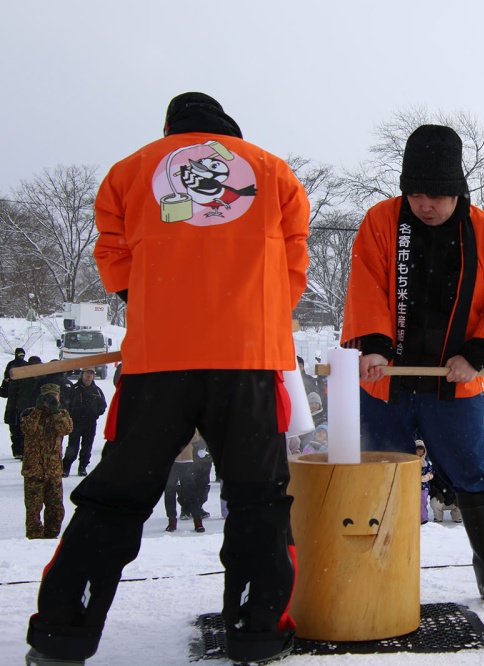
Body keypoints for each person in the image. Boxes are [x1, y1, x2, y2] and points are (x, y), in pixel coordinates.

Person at [26, 92, 309, 666]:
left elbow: (114, 258)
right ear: (228, 128)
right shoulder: (272, 171)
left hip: (159, 361)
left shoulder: (130, 172)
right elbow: (292, 264)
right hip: (248, 359)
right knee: (257, 500)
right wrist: (251, 311)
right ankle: (256, 634)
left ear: (169, 128)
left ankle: (62, 634)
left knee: (115, 497)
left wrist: (159, 302)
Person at [342, 125, 484, 612]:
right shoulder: (381, 221)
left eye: (438, 196)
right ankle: (378, 573)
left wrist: (476, 355)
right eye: (416, 195)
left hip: (455, 383)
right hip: (386, 381)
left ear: (458, 191)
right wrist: (374, 346)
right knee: (379, 474)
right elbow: (366, 284)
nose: (425, 205)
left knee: (472, 472)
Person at [20, 383, 74, 539]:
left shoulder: (62, 415)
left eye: (54, 396)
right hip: (34, 471)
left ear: (59, 397)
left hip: (53, 471)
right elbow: (28, 429)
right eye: (47, 396)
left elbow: (66, 429)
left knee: (56, 510)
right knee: (33, 510)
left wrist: (55, 411)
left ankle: (50, 539)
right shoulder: (30, 414)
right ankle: (34, 540)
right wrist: (38, 410)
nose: (51, 399)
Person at [61, 367, 107, 477]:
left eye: (91, 373)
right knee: (72, 447)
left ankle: (82, 468)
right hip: (76, 423)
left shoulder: (97, 391)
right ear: (82, 374)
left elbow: (103, 405)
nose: (89, 376)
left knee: (87, 447)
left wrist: (95, 413)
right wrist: (71, 415)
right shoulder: (74, 389)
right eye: (87, 373)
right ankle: (65, 468)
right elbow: (67, 404)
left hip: (90, 423)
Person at [163, 436, 204, 533]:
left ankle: (198, 521)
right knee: (169, 491)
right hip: (171, 461)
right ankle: (171, 521)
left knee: (191, 492)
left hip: (187, 460)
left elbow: (196, 437)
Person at [417, 441, 433, 525]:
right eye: (418, 449)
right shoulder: (412, 462)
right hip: (413, 485)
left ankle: (423, 518)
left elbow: (431, 473)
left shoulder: (427, 463)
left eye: (421, 450)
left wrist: (425, 478)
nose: (419, 452)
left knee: (423, 502)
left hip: (424, 487)